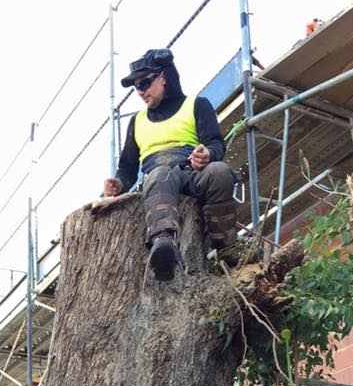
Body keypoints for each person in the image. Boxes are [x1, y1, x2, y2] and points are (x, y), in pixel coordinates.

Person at [103, 48, 248, 281]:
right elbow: (128, 167)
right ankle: (163, 244)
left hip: (191, 173)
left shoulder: (196, 105)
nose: (140, 92)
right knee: (160, 173)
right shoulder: (136, 122)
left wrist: (207, 154)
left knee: (220, 172)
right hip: (158, 181)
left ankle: (227, 248)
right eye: (136, 87)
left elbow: (216, 144)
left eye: (145, 84)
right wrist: (119, 183)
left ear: (163, 77)